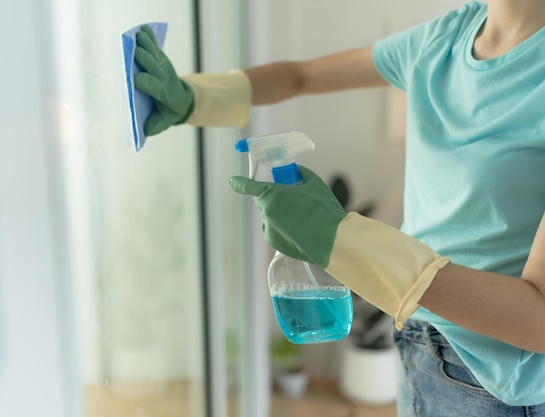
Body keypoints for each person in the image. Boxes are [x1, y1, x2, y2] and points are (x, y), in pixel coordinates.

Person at [134, 1, 545, 415]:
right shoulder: (442, 40)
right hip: (419, 343)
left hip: (497, 385)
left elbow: (538, 318)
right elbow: (301, 75)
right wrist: (193, 96)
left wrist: (341, 236)